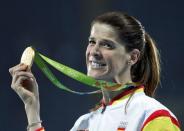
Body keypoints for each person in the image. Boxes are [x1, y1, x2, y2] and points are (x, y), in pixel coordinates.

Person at [9, 12, 181, 131]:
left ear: (133, 57)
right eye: (92, 42)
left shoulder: (151, 115)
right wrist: (31, 107)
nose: (94, 52)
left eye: (107, 44)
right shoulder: (84, 124)